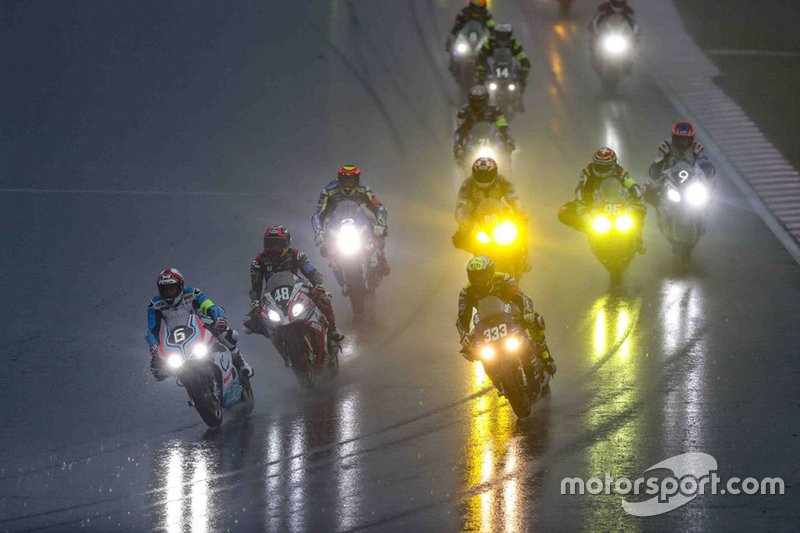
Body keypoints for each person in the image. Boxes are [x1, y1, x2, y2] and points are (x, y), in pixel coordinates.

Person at [457, 256, 556, 377]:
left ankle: (545, 354)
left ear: (489, 272)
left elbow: (522, 297)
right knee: (470, 348)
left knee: (535, 319)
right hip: (485, 322)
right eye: (473, 276)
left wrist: (527, 310)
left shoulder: (503, 279)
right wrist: (463, 334)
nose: (477, 280)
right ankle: (494, 375)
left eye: (480, 275)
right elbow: (462, 318)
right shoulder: (466, 291)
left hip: (511, 314)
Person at [146, 268, 253, 381]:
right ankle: (193, 394)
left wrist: (219, 319)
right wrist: (154, 346)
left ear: (180, 286)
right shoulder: (155, 304)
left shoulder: (193, 293)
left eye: (171, 289)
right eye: (165, 290)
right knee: (156, 369)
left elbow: (210, 307)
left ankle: (240, 362)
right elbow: (152, 330)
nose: (168, 293)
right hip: (175, 339)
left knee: (226, 333)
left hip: (200, 326)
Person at [245, 225, 343, 343]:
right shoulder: (258, 261)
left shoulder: (296, 254)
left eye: (278, 244)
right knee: (251, 321)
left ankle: (332, 329)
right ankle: (279, 341)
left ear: (286, 243)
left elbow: (311, 271)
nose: (274, 248)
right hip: (272, 295)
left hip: (298, 287)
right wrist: (255, 305)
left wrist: (319, 286)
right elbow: (255, 286)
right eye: (270, 244)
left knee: (324, 299)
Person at [557, 147, 646, 252]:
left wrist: (638, 196)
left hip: (617, 200)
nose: (602, 168)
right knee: (563, 212)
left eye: (606, 166)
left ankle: (637, 238)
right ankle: (589, 231)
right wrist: (581, 203)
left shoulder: (620, 172)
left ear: (613, 164)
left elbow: (631, 184)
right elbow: (580, 188)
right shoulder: (588, 171)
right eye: (599, 165)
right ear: (594, 163)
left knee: (641, 210)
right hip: (591, 201)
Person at [312, 165, 390, 278]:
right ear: (339, 179)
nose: (348, 183)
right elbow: (318, 214)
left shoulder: (364, 189)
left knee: (379, 232)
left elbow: (379, 207)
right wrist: (319, 233)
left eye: (351, 180)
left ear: (357, 180)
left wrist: (380, 223)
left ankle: (382, 258)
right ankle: (335, 264)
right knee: (325, 248)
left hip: (359, 219)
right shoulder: (328, 191)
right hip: (336, 222)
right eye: (345, 179)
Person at [452, 157, 527, 252]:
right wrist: (465, 220)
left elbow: (513, 197)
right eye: (481, 176)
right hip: (477, 218)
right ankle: (476, 259)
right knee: (462, 240)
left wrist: (520, 214)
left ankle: (522, 255)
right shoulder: (468, 184)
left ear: (494, 173)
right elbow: (461, 205)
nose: (484, 179)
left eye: (487, 176)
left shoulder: (501, 181)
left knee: (522, 233)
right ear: (474, 174)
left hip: (501, 216)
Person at [647, 121, 716, 193]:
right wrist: (654, 180)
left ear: (691, 139)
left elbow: (706, 164)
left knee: (708, 198)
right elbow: (654, 167)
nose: (682, 142)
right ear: (673, 137)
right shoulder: (665, 147)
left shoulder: (697, 148)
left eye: (686, 140)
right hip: (668, 182)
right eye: (679, 139)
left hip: (691, 184)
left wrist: (709, 179)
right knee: (651, 191)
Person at [454, 85, 515, 162]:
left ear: (485, 100)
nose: (476, 104)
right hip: (472, 139)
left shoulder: (494, 109)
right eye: (474, 101)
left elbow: (503, 125)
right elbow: (459, 129)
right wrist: (458, 145)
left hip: (492, 138)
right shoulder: (464, 111)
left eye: (479, 101)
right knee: (463, 155)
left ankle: (506, 170)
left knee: (504, 151)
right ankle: (467, 169)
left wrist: (508, 139)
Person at [475, 24, 531, 94]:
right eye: (500, 35)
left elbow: (522, 56)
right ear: (496, 34)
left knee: (522, 79)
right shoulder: (489, 43)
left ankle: (519, 98)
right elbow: (481, 55)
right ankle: (479, 97)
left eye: (505, 35)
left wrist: (525, 65)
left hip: (510, 69)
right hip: (492, 68)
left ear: (509, 35)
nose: (502, 37)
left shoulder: (514, 43)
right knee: (480, 79)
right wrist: (480, 67)